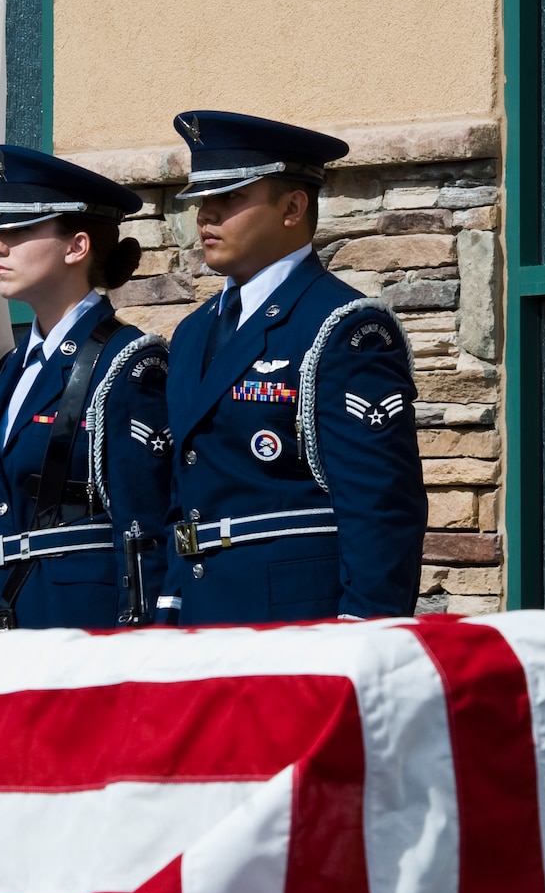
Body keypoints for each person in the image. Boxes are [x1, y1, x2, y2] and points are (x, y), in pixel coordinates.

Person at [157, 111, 426, 625]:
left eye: (230, 198)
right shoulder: (193, 333)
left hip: (295, 623)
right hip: (200, 620)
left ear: (293, 207)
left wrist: (366, 631)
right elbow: (185, 492)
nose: (206, 216)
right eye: (202, 201)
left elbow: (380, 504)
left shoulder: (342, 326)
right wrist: (169, 608)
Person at [0, 146, 171, 630]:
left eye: (17, 232)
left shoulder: (127, 362)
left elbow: (143, 521)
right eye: (0, 232)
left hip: (84, 624)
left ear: (76, 247)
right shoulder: (13, 366)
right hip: (15, 615)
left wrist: (140, 632)